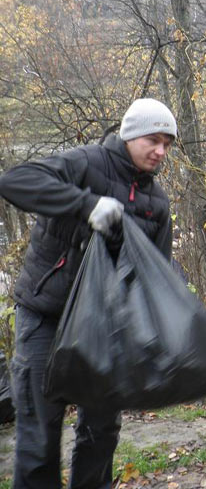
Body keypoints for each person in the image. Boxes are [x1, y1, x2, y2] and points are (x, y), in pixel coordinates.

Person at [0, 98, 177, 489]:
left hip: (105, 331)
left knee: (100, 437)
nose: (161, 151)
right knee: (39, 439)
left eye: (167, 143)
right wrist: (87, 204)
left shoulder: (157, 204)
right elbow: (14, 182)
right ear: (130, 134)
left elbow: (156, 276)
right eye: (153, 139)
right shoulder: (84, 164)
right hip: (46, 317)